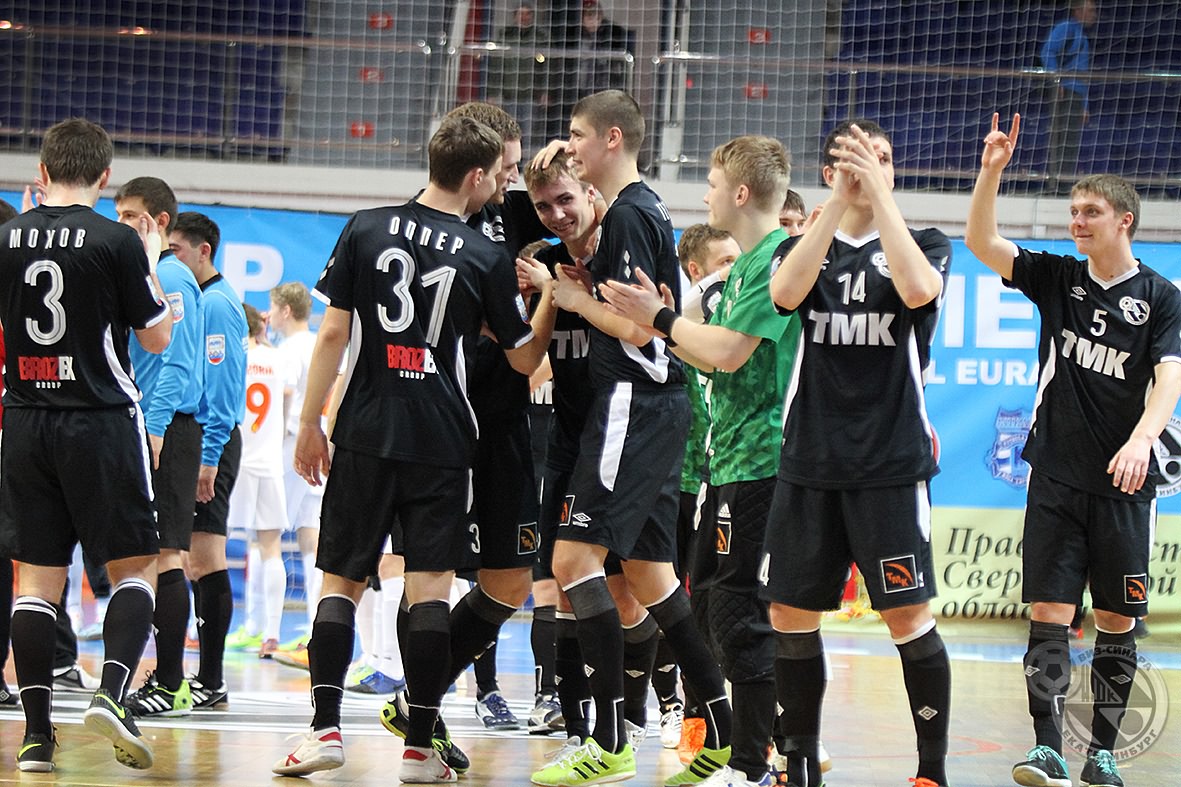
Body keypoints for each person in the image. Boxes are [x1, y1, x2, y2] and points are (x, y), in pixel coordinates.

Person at [272, 114, 537, 783]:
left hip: (364, 426)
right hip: (442, 438)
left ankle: (324, 729)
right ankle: (419, 748)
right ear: (475, 176)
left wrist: (310, 423)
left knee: (341, 580)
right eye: (497, 176)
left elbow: (333, 335)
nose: (500, 187)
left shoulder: (365, 227)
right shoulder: (484, 255)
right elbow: (523, 357)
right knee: (429, 590)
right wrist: (554, 302)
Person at [967, 113, 1181, 787]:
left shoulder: (1161, 298)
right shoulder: (1058, 278)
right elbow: (980, 241)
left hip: (1124, 487)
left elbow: (1169, 378)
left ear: (1124, 220)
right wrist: (991, 172)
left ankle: (1103, 754)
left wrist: (1142, 439)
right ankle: (1047, 748)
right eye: (1072, 211)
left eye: (1090, 212)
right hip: (1055, 475)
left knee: (1117, 619)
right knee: (1048, 613)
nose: (1076, 222)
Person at [528, 89, 733, 787]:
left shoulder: (627, 213)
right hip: (653, 407)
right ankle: (721, 730)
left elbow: (644, 329)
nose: (571, 143)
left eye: (577, 133)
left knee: (571, 561)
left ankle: (610, 740)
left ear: (611, 139)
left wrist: (575, 299)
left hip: (632, 402)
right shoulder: (637, 212)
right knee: (649, 577)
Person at [602, 134, 801, 787]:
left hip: (764, 460)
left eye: (713, 184)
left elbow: (727, 353)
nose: (706, 194)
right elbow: (704, 354)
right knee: (717, 607)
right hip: (727, 462)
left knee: (742, 615)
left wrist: (660, 317)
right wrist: (645, 322)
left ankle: (758, 762)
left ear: (740, 193)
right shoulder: (741, 267)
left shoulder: (776, 260)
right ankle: (751, 750)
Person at [765, 119, 953, 787]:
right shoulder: (802, 245)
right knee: (789, 612)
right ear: (828, 172)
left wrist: (876, 197)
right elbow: (784, 295)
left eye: (883, 158)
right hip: (810, 459)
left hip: (889, 464)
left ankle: (930, 771)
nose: (872, 167)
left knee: (907, 614)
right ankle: (798, 762)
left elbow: (917, 291)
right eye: (856, 159)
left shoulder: (924, 243)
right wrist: (836, 208)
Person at [0, 117, 172, 772]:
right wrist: (149, 263)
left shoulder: (6, 236)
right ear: (105, 176)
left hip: (24, 420)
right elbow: (155, 336)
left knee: (37, 583)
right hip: (99, 419)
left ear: (42, 172)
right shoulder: (117, 239)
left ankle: (36, 738)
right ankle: (112, 694)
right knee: (136, 569)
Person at [113, 176, 205, 719]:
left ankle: (172, 682)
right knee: (149, 553)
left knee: (168, 553)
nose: (121, 223)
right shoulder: (144, 272)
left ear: (159, 222)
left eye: (131, 215)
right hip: (148, 423)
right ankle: (162, 677)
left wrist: (155, 426)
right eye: (119, 214)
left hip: (167, 427)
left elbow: (178, 360)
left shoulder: (169, 275)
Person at [166, 211, 247, 710]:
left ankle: (211, 678)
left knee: (205, 557)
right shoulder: (201, 299)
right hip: (204, 438)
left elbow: (224, 386)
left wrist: (210, 455)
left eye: (176, 249)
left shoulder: (216, 303)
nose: (170, 259)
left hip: (212, 439)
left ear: (203, 251)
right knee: (193, 559)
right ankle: (204, 676)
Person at [226, 303, 290, 658]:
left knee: (210, 544)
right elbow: (288, 397)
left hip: (236, 458)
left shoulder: (236, 356)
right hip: (269, 460)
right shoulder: (276, 358)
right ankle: (271, 632)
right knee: (270, 547)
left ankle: (199, 627)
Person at [1041, 0, 1096, 193]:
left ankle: (1064, 183)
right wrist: (1056, 80)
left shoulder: (1081, 35)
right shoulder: (1066, 28)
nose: (1093, 15)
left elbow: (1083, 75)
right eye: (1090, 11)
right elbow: (1047, 52)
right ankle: (1056, 184)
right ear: (1078, 11)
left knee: (1071, 141)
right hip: (1066, 92)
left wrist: (1085, 105)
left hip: (1077, 93)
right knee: (1061, 139)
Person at [489, 1, 551, 151]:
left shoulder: (541, 37)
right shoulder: (505, 36)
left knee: (528, 135)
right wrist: (493, 93)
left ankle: (525, 162)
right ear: (515, 16)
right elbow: (496, 66)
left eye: (528, 14)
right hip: (509, 95)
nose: (524, 17)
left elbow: (549, 67)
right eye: (521, 14)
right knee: (508, 134)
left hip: (531, 96)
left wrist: (546, 91)